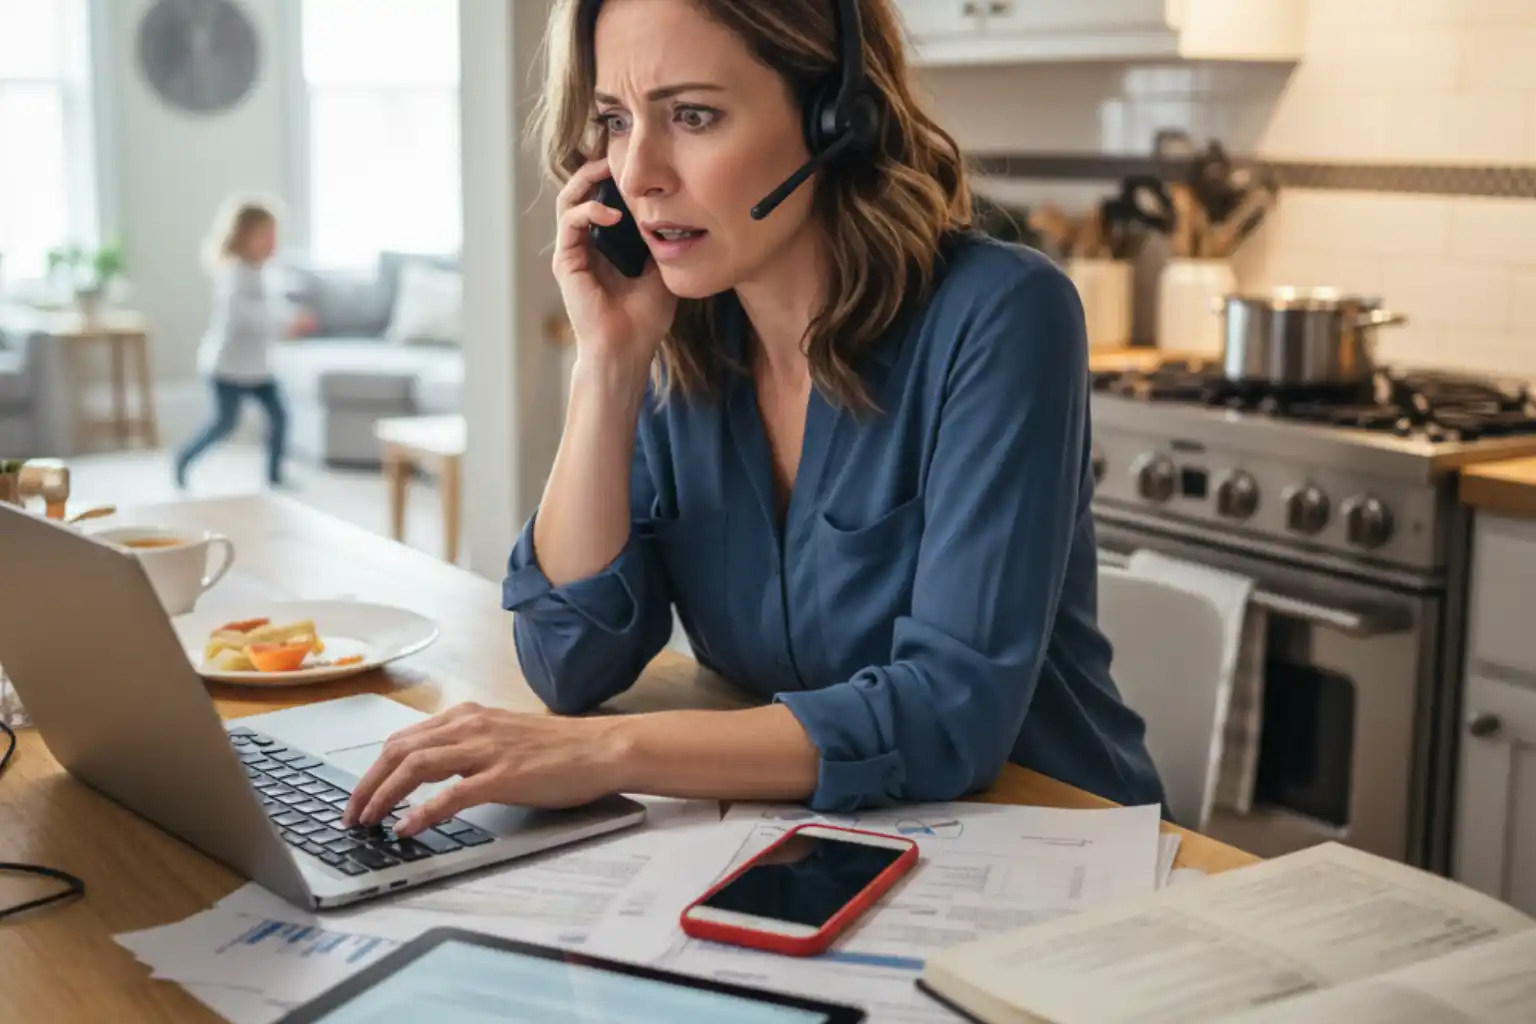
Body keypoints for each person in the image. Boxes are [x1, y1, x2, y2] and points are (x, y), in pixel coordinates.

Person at [342, 0, 1167, 839]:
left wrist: (610, 752)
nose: (640, 173)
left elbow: (949, 711)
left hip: (1050, 846)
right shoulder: (684, 336)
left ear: (835, 117)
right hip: (826, 842)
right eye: (616, 122)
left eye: (693, 116)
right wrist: (609, 363)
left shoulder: (1003, 315)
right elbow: (568, 660)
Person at [174, 197, 314, 490]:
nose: (273, 242)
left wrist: (292, 318)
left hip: (258, 368)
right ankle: (184, 458)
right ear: (243, 236)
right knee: (224, 424)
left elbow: (273, 306)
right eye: (265, 235)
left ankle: (274, 475)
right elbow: (246, 317)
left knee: (280, 416)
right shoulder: (234, 275)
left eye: (274, 235)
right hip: (227, 368)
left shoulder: (264, 272)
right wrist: (286, 324)